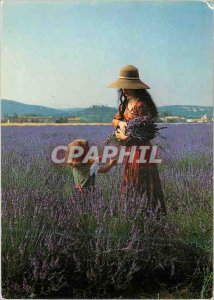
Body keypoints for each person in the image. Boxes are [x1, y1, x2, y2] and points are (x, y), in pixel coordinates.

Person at [107, 65, 166, 214]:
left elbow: (147, 133)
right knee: (130, 180)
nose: (124, 90)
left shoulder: (141, 105)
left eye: (127, 87)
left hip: (141, 152)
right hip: (130, 151)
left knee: (141, 181)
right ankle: (133, 211)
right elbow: (114, 119)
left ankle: (148, 214)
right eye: (122, 87)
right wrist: (120, 123)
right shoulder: (126, 104)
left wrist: (124, 137)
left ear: (135, 87)